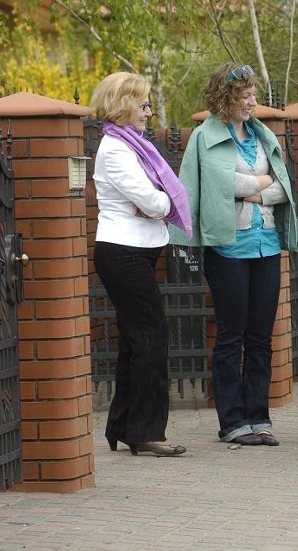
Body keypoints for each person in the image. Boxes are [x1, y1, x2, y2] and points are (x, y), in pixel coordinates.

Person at [168, 63, 298, 446]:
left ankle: (259, 416)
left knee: (260, 336)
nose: (252, 103)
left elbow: (282, 185)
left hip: (266, 245)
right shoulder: (203, 137)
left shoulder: (262, 134)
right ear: (226, 99)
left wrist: (256, 189)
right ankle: (232, 421)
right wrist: (258, 184)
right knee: (231, 335)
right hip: (227, 244)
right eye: (245, 97)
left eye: (253, 96)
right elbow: (217, 182)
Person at [89, 72, 192, 457]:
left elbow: (155, 200)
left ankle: (123, 425)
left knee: (138, 340)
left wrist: (156, 202)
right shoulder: (115, 150)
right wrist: (160, 203)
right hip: (122, 251)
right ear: (122, 106)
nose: (148, 112)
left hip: (139, 249)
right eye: (142, 105)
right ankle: (146, 431)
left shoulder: (135, 146)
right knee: (151, 336)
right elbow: (156, 203)